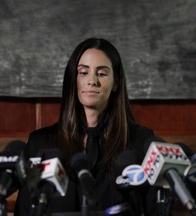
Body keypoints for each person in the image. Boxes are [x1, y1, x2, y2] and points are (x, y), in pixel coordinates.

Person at [15, 38, 159, 215]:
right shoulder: (41, 142)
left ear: (115, 83)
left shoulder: (141, 140)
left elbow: (154, 209)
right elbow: (24, 210)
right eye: (83, 72)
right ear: (73, 79)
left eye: (102, 73)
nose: (92, 81)